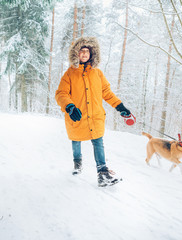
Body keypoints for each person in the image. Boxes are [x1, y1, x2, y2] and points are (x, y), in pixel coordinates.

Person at [55, 36, 133, 187]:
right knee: (76, 140)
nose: (84, 54)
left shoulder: (97, 74)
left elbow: (107, 93)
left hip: (95, 116)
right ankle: (78, 163)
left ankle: (103, 174)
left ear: (92, 54)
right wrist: (70, 107)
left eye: (87, 51)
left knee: (98, 141)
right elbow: (61, 94)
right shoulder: (70, 73)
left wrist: (120, 107)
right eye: (81, 51)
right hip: (77, 116)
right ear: (76, 54)